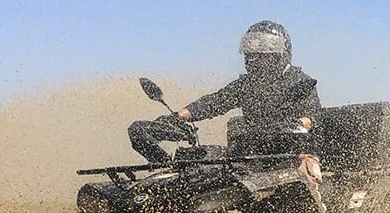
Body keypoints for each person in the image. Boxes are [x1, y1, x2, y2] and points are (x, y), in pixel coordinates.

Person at [128, 20, 321, 163]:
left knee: (306, 172)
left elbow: (312, 116)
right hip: (248, 156)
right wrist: (179, 116)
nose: (255, 59)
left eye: (262, 55)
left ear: (280, 54)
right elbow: (215, 102)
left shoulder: (299, 81)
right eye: (252, 54)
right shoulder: (247, 84)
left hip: (292, 155)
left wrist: (293, 125)